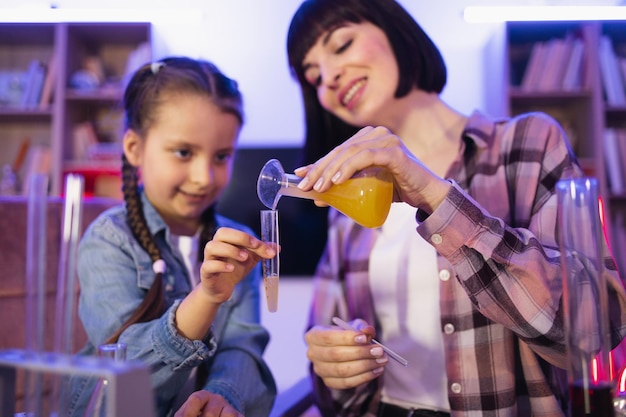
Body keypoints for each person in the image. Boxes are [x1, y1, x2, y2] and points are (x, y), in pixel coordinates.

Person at [285, 1, 626, 416]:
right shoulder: (347, 209)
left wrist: (433, 194)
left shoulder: (529, 145)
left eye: (341, 44)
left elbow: (593, 330)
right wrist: (334, 366)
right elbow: (328, 374)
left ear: (396, 30)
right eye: (314, 76)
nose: (329, 78)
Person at [68, 57, 277, 417]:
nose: (203, 177)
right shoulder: (110, 239)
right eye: (184, 152)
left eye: (222, 156)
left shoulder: (239, 240)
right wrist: (207, 296)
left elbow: (243, 347)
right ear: (134, 149)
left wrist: (221, 396)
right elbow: (123, 371)